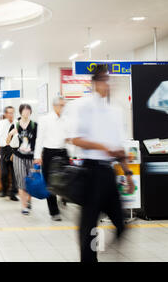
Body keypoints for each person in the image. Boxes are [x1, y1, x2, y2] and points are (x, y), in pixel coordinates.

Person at [71, 64, 135, 262]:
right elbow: (76, 139)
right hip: (90, 172)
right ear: (95, 82)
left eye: (109, 79)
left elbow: (119, 146)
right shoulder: (83, 106)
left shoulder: (115, 111)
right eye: (104, 79)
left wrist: (128, 173)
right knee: (89, 228)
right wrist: (102, 147)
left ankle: (106, 251)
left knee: (122, 223)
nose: (108, 84)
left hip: (108, 173)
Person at [34, 96, 68, 221]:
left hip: (63, 152)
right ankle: (54, 212)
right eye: (61, 105)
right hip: (49, 153)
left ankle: (63, 199)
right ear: (54, 106)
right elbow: (39, 138)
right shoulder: (45, 119)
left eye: (64, 105)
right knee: (50, 183)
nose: (63, 108)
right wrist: (37, 156)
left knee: (65, 180)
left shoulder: (66, 119)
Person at [6, 104, 37, 215]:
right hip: (18, 156)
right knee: (21, 181)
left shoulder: (34, 125)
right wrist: (10, 134)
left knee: (30, 181)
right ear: (20, 112)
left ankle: (28, 200)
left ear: (31, 112)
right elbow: (7, 142)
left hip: (31, 157)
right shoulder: (15, 125)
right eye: (24, 110)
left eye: (28, 110)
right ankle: (24, 206)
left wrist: (38, 157)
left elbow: (38, 142)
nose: (26, 112)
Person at [0, 106, 18, 201]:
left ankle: (13, 193)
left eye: (12, 112)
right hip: (4, 148)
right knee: (4, 172)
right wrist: (6, 143)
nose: (11, 115)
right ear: (5, 114)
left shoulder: (17, 123)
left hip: (15, 150)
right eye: (9, 113)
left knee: (15, 173)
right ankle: (4, 191)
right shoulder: (1, 123)